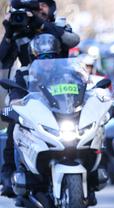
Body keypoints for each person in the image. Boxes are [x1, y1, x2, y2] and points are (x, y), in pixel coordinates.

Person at [0, 0, 80, 196]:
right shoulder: (20, 31)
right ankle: (8, 175)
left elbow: (73, 40)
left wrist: (40, 23)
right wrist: (9, 32)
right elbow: (3, 60)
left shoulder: (58, 26)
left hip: (61, 86)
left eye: (42, 5)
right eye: (34, 7)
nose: (38, 10)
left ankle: (88, 164)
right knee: (15, 123)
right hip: (29, 86)